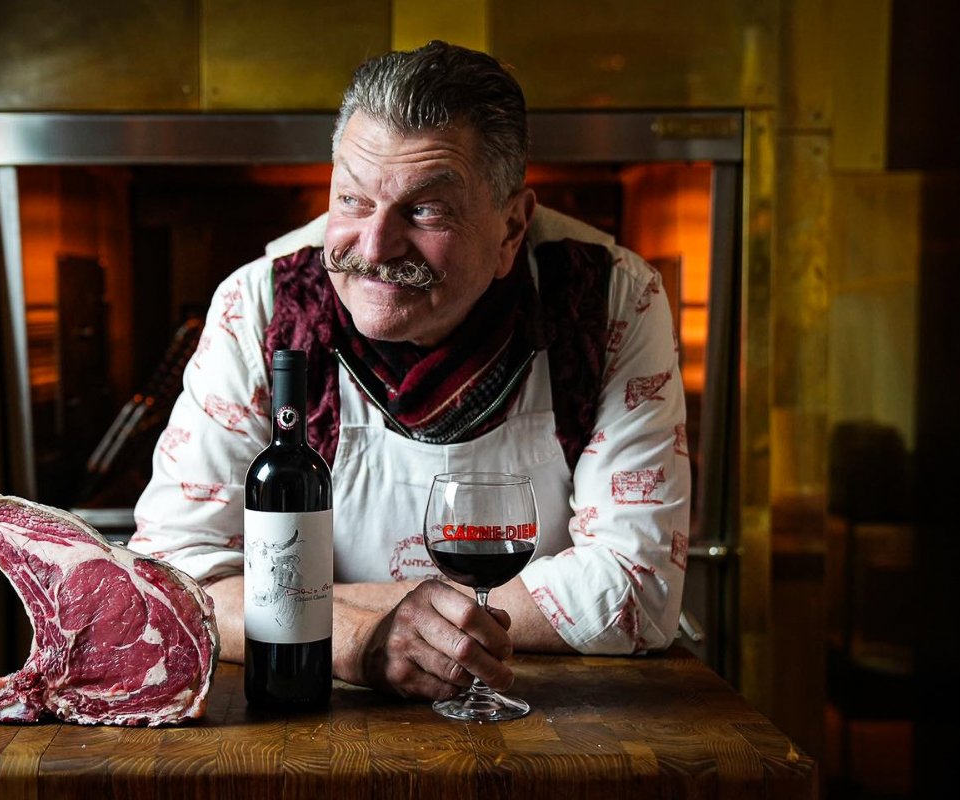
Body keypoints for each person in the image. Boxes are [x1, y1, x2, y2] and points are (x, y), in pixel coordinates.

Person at [129, 40, 689, 701]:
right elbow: (168, 584)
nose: (373, 247)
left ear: (512, 228)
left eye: (424, 211)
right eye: (353, 200)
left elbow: (639, 588)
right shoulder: (260, 308)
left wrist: (307, 599)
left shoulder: (610, 301)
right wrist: (359, 639)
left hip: (546, 713)